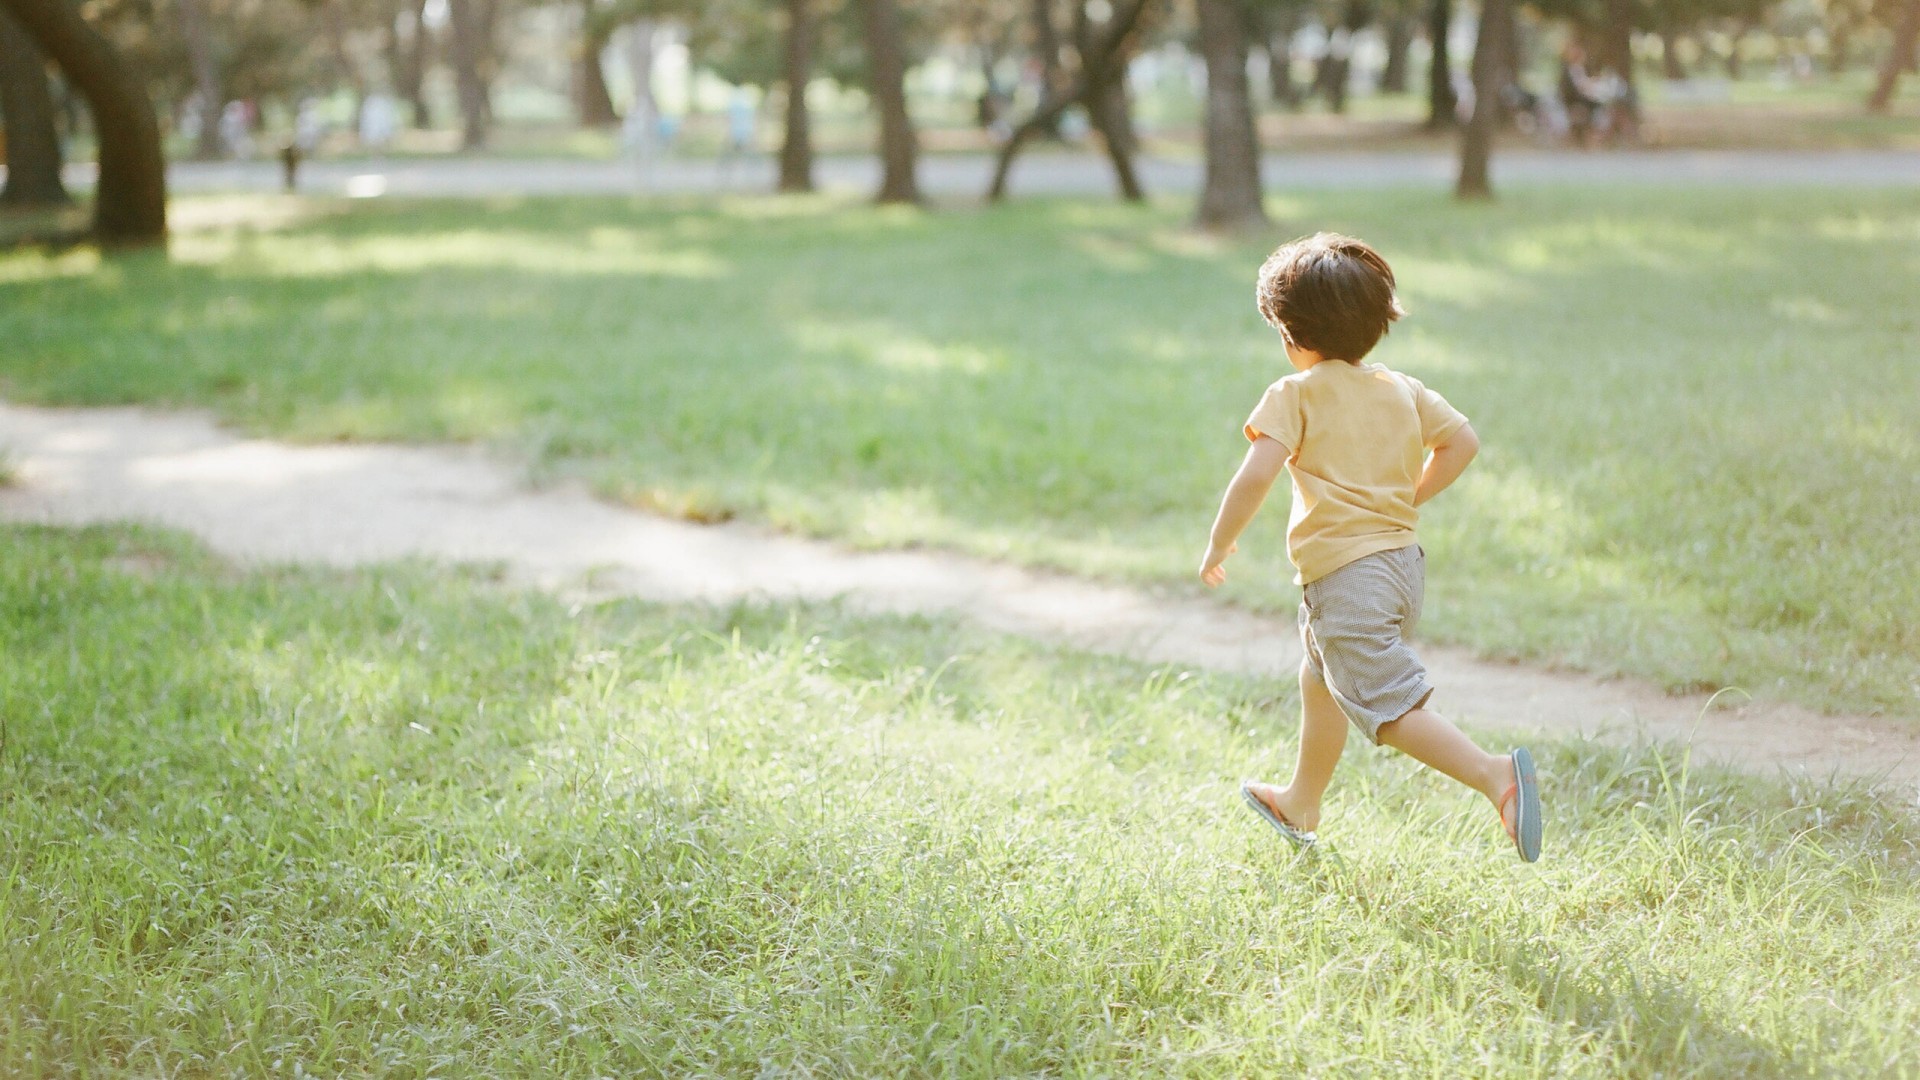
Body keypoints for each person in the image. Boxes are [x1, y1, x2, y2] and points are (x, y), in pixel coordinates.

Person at [1199, 234, 1543, 863]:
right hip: (1401, 569)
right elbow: (1462, 443)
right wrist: (1408, 499)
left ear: (1290, 334)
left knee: (1385, 704)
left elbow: (1255, 476)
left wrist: (1221, 541)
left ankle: (1495, 776)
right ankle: (1302, 799)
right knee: (1323, 676)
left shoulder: (1294, 394)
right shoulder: (1402, 388)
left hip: (1345, 577)